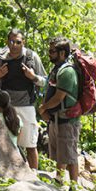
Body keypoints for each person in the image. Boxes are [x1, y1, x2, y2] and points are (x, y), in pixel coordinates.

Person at [0, 29, 46, 170]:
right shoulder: (1, 57)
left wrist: (33, 77)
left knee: (30, 144)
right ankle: (7, 173)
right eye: (12, 41)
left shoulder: (31, 57)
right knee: (5, 143)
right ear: (7, 42)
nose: (15, 45)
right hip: (6, 106)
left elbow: (45, 81)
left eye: (18, 42)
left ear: (23, 42)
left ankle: (34, 175)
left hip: (27, 105)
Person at [38, 37, 81, 182]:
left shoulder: (67, 72)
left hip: (67, 120)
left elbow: (59, 97)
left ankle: (74, 187)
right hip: (57, 118)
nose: (49, 54)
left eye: (52, 51)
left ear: (62, 53)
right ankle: (59, 180)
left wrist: (43, 108)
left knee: (70, 154)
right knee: (62, 153)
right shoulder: (56, 69)